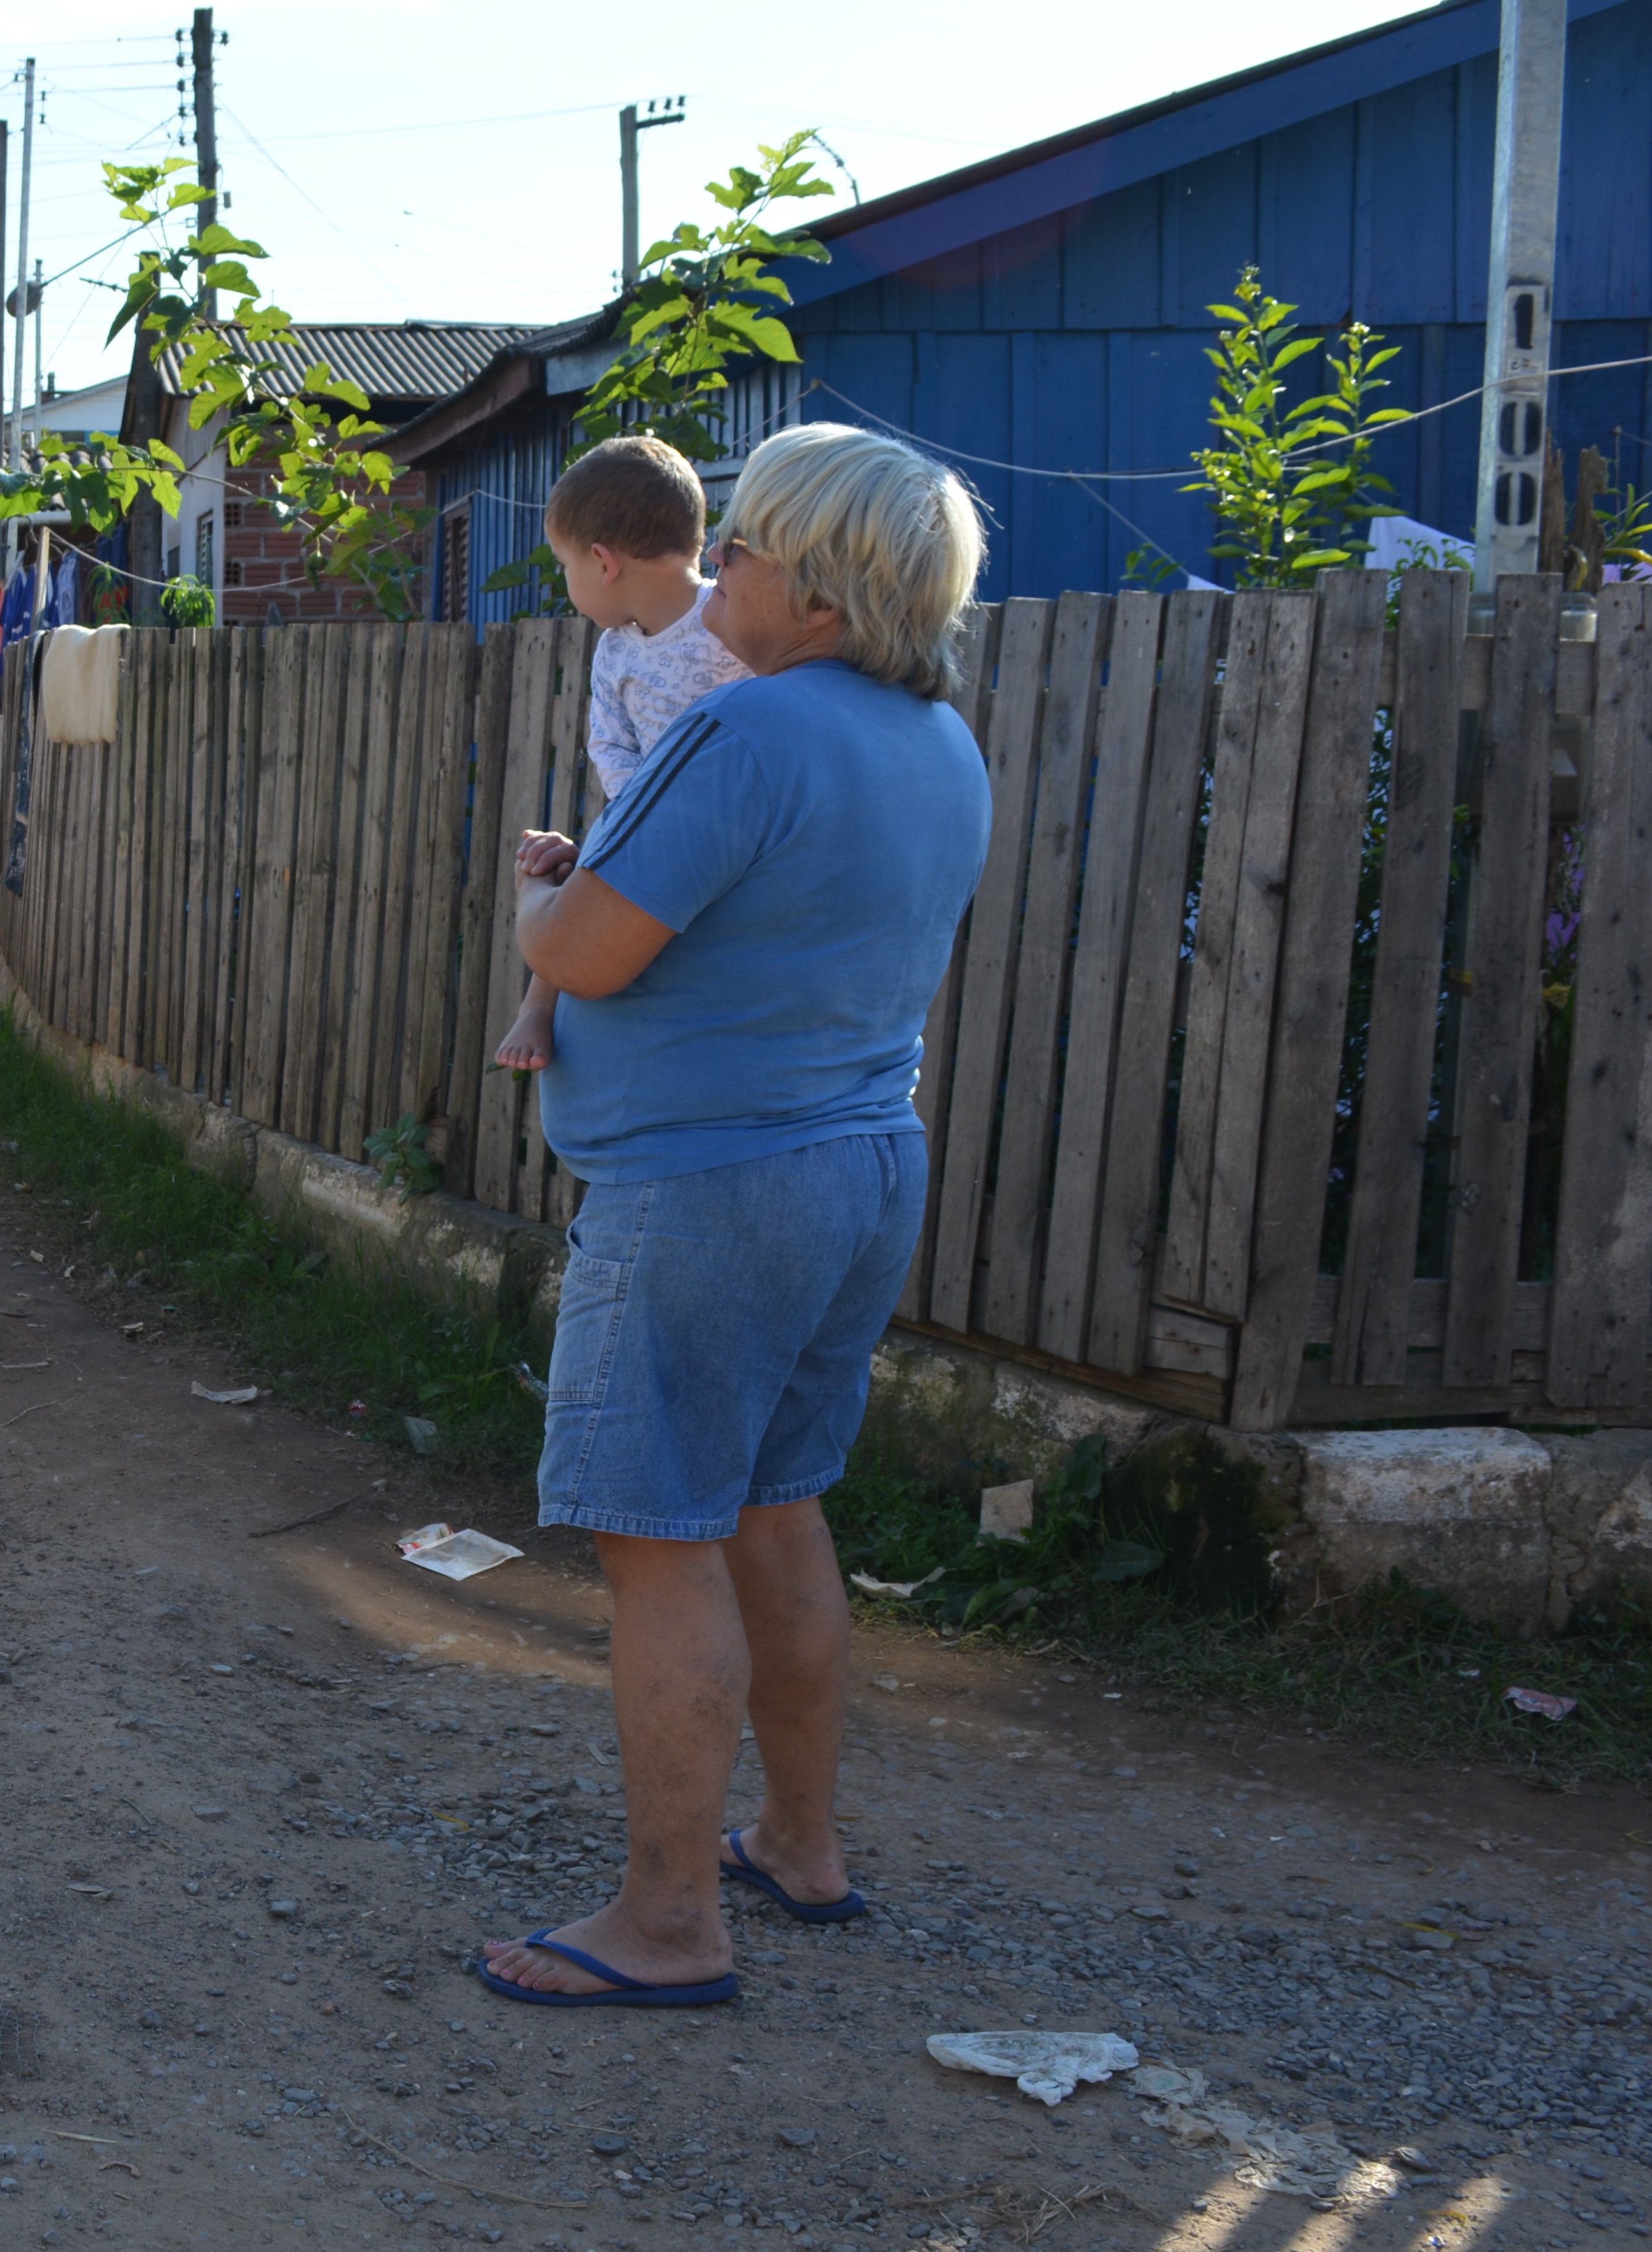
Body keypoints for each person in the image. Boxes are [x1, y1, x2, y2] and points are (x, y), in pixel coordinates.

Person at [478, 422, 991, 2009]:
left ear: (825, 592)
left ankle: (667, 1923)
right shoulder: (939, 745)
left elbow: (584, 955)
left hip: (708, 1186)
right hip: (856, 1168)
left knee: (658, 1539)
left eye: (755, 552)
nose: (726, 581)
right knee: (775, 1506)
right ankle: (801, 1847)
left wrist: (533, 904)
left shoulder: (749, 738)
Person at [496, 435, 752, 1073]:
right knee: (589, 872)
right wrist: (639, 798)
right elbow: (608, 737)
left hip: (731, 813)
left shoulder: (728, 619)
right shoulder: (616, 649)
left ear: (603, 562)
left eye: (565, 564)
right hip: (640, 809)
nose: (567, 580)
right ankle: (538, 1005)